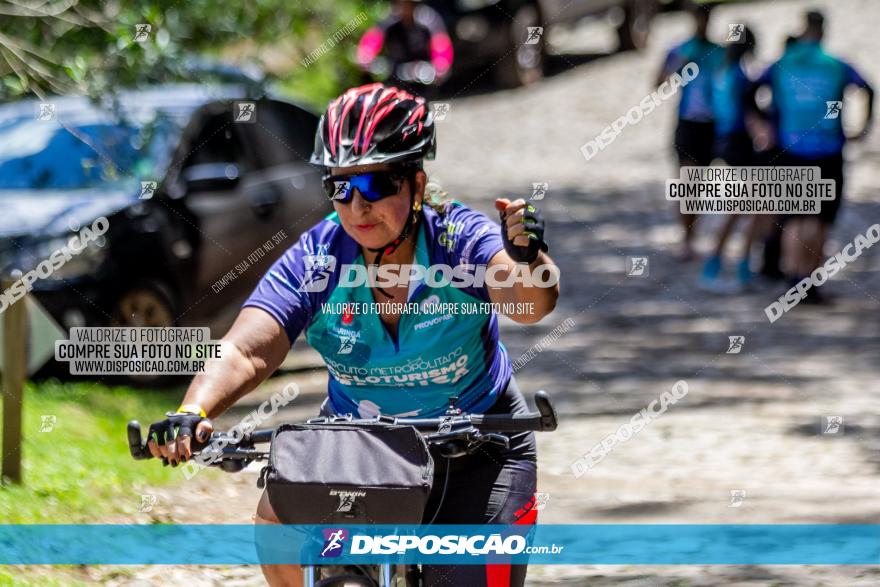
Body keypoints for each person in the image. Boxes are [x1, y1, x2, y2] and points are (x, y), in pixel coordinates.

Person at [145, 83, 559, 587]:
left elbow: (531, 303)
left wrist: (527, 257)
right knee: (278, 526)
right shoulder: (320, 256)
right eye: (340, 187)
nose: (358, 206)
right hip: (361, 447)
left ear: (417, 184)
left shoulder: (455, 239)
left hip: (478, 445)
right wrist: (193, 411)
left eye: (377, 184)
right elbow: (246, 348)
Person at [753, 10, 874, 303]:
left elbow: (748, 89)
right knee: (820, 219)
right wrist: (863, 128)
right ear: (823, 30)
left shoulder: (783, 64)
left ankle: (793, 277)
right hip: (828, 150)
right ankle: (809, 282)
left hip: (791, 148)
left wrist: (764, 124)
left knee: (794, 215)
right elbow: (868, 88)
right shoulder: (836, 64)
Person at [656, 1, 723, 261]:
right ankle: (687, 238)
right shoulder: (680, 49)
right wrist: (677, 66)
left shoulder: (719, 51)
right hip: (689, 122)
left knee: (700, 183)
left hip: (713, 124)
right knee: (687, 181)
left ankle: (696, 233)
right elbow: (658, 83)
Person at [699, 25, 764, 291]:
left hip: (725, 142)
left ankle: (724, 263)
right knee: (752, 207)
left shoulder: (722, 72)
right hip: (741, 146)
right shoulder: (740, 77)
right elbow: (749, 112)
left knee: (743, 207)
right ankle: (738, 266)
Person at [357, 0, 453, 96]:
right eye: (401, 3)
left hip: (422, 76)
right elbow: (373, 39)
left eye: (408, 4)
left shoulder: (428, 19)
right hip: (395, 76)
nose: (404, 8)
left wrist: (441, 64)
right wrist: (365, 57)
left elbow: (440, 43)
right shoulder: (389, 21)